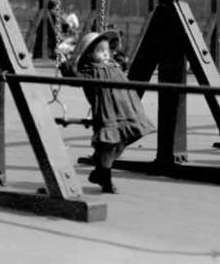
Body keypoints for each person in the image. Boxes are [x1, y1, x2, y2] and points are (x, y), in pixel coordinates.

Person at [67, 30, 156, 193]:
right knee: (109, 146)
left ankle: (101, 169)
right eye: (100, 51)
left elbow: (122, 66)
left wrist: (121, 59)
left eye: (107, 51)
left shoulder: (114, 66)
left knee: (122, 143)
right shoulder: (90, 71)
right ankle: (105, 177)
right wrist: (68, 70)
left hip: (128, 112)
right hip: (109, 115)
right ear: (88, 55)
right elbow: (76, 80)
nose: (106, 55)